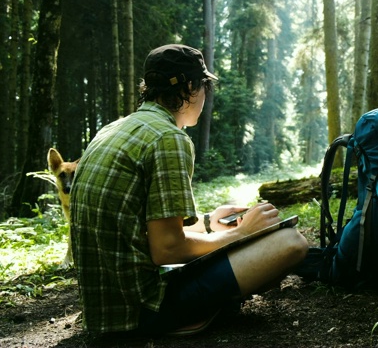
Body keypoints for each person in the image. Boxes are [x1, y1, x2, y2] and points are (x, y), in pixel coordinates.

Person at [70, 44, 309, 336]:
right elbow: (166, 249)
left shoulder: (113, 130)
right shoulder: (168, 138)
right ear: (193, 88)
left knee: (246, 240)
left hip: (105, 310)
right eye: (205, 87)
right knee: (290, 242)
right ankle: (186, 319)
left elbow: (142, 230)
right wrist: (242, 233)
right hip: (144, 311)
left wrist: (208, 223)